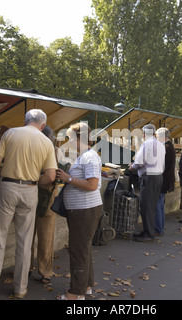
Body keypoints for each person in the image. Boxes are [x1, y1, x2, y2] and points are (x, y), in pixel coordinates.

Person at [0, 109, 57, 299]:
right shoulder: (46, 142)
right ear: (43, 125)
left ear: (25, 120)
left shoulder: (10, 133)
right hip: (30, 191)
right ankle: (20, 289)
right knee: (25, 242)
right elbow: (51, 176)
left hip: (7, 188)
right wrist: (35, 181)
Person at [55, 122, 103, 300]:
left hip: (84, 209)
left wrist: (68, 178)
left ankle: (75, 293)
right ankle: (86, 286)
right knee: (83, 249)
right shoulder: (86, 156)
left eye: (70, 138)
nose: (68, 141)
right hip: (83, 208)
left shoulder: (89, 157)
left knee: (78, 250)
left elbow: (92, 184)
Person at [30, 126, 59, 284]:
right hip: (47, 194)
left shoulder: (32, 147)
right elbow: (52, 176)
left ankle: (26, 267)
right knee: (46, 236)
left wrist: (32, 182)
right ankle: (45, 271)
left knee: (27, 235)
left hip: (34, 192)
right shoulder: (52, 149)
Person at [130, 124, 165, 242]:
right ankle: (148, 230)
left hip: (149, 177)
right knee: (152, 205)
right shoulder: (160, 145)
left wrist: (132, 167)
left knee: (146, 206)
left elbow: (139, 162)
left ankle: (148, 234)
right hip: (158, 176)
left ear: (144, 134)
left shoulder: (147, 144)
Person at [154, 127, 176, 236]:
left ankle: (158, 229)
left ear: (163, 137)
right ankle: (160, 227)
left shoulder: (165, 148)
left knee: (158, 204)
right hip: (166, 179)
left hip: (161, 179)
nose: (156, 139)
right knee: (161, 204)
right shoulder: (170, 147)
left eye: (157, 137)